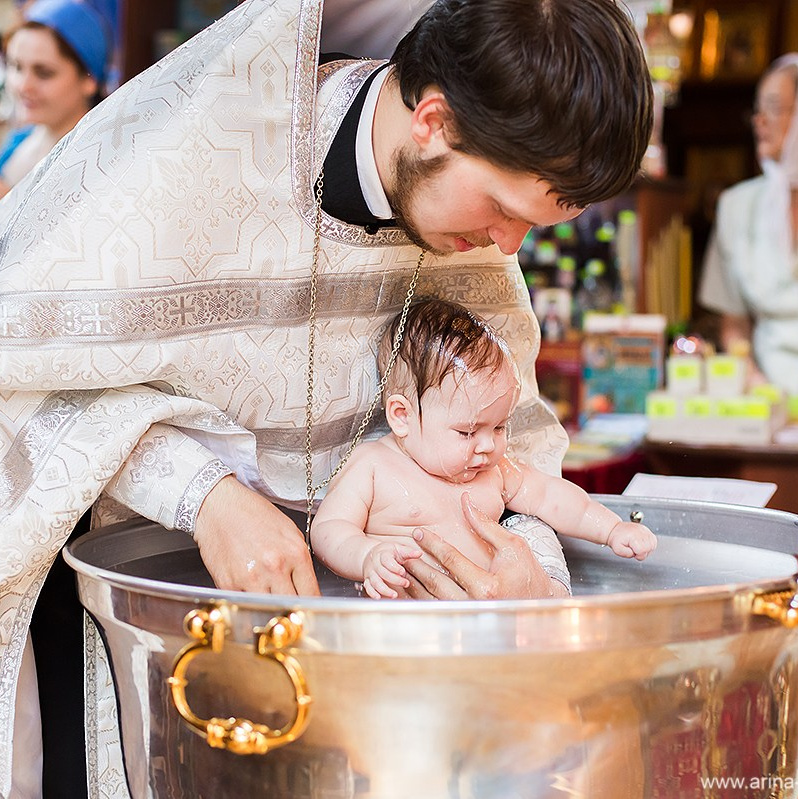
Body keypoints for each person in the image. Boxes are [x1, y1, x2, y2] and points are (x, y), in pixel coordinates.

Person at [0, 0, 653, 794]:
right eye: (502, 209)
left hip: (368, 704)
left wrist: (534, 581)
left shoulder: (471, 233)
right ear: (433, 120)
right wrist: (207, 498)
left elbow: (514, 450)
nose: (508, 249)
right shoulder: (191, 155)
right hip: (149, 652)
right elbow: (25, 366)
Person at [311, 298, 657, 599]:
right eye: (467, 431)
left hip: (482, 616)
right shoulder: (373, 466)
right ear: (402, 416)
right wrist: (367, 556)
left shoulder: (495, 471)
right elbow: (329, 530)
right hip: (404, 622)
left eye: (500, 426)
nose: (489, 445)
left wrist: (612, 529)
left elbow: (555, 498)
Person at [698, 54, 798, 394]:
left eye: (774, 107)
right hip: (769, 398)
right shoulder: (735, 206)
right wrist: (757, 386)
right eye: (757, 108)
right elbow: (734, 325)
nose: (759, 121)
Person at [0, 0, 109, 198]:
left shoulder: (97, 165)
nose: (23, 86)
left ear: (88, 79)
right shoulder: (20, 139)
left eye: (44, 73)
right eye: (16, 66)